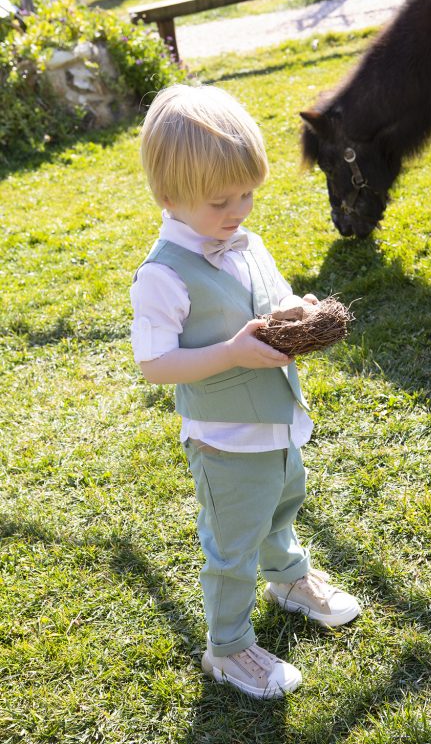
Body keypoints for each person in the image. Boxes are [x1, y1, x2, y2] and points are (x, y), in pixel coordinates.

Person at [130, 84, 361, 700]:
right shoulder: (163, 275)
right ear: (168, 197)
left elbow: (272, 296)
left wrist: (294, 311)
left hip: (279, 423)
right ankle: (228, 648)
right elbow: (155, 363)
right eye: (219, 201)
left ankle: (288, 578)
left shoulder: (247, 242)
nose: (238, 210)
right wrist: (230, 352)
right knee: (232, 546)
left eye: (248, 194)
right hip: (226, 440)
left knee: (283, 503)